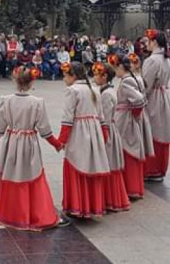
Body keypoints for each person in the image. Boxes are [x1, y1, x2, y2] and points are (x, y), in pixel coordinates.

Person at [0, 66, 68, 230]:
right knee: (31, 175)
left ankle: (11, 215)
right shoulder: (37, 103)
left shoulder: (6, 100)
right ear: (32, 82)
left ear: (15, 81)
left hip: (12, 142)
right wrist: (57, 144)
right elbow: (45, 130)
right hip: (29, 142)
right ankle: (35, 214)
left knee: (12, 174)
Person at [57, 61, 116, 218]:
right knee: (91, 166)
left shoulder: (72, 90)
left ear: (73, 76)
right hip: (94, 130)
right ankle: (92, 206)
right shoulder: (94, 89)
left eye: (65, 76)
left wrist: (61, 140)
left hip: (79, 132)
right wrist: (103, 135)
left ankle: (77, 206)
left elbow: (67, 117)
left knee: (76, 164)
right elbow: (102, 117)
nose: (64, 79)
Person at [110, 54, 154, 199]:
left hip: (125, 119)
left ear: (121, 67)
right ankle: (135, 187)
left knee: (127, 151)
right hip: (130, 118)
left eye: (116, 68)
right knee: (132, 150)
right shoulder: (136, 78)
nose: (115, 71)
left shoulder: (126, 82)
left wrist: (133, 114)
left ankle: (131, 188)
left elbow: (139, 100)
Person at [92, 61, 131, 211]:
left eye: (97, 75)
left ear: (105, 76)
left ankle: (111, 200)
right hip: (108, 129)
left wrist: (103, 136)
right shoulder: (105, 91)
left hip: (108, 131)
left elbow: (106, 118)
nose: (94, 77)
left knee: (108, 164)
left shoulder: (107, 94)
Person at [142, 29, 170, 182]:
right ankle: (160, 168)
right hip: (164, 96)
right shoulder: (166, 58)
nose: (146, 44)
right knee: (162, 130)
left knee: (151, 131)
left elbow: (146, 85)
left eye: (147, 41)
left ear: (154, 42)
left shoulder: (152, 60)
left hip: (153, 98)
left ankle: (151, 168)